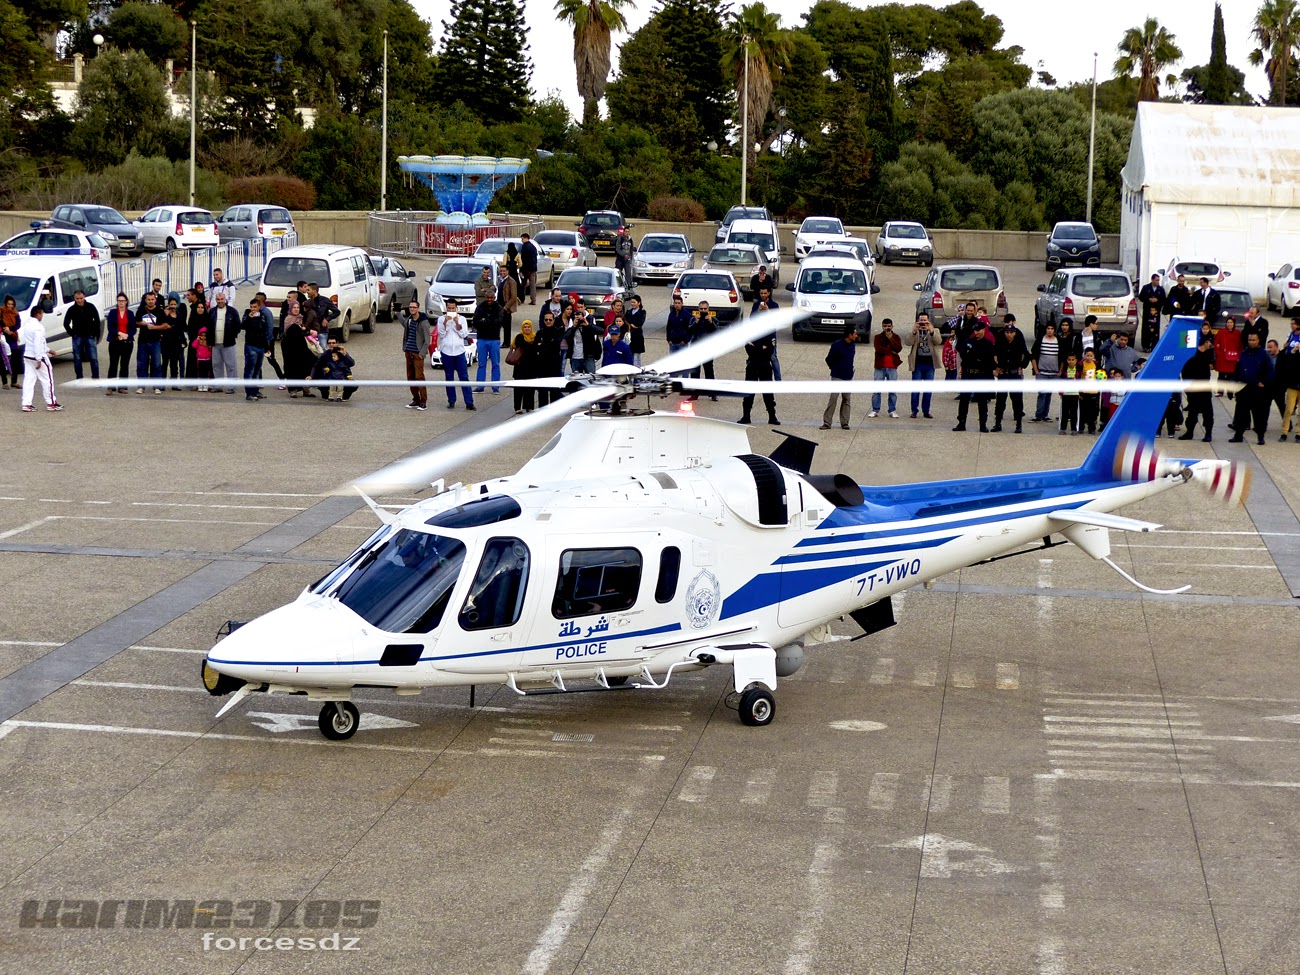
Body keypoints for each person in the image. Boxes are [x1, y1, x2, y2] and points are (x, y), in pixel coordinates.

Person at [1230, 332, 1274, 445]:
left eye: (1253, 340)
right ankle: (1238, 435)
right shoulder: (1244, 353)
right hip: (1244, 388)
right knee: (1241, 413)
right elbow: (1237, 369)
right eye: (1250, 340)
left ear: (1258, 340)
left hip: (1257, 389)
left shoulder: (1264, 354)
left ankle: (1260, 436)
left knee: (1259, 415)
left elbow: (1270, 371)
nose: (1251, 342)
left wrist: (1264, 382)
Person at [953, 321, 995, 432]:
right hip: (968, 374)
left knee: (982, 401)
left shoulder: (988, 344)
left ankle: (983, 424)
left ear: (984, 330)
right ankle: (961, 423)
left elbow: (989, 360)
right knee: (964, 400)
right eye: (975, 330)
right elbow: (963, 354)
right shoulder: (968, 342)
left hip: (981, 375)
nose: (976, 333)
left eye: (979, 330)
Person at [17, 307, 60, 412]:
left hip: (27, 355)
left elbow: (34, 342)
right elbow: (38, 343)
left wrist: (49, 350)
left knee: (29, 380)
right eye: (42, 314)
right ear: (38, 314)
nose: (42, 316)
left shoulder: (27, 325)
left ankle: (26, 404)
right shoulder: (39, 327)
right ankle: (51, 402)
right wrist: (39, 358)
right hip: (38, 356)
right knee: (47, 379)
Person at [993, 313, 1029, 433]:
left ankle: (1018, 425)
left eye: (1011, 333)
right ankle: (997, 423)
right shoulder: (1000, 340)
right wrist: (996, 367)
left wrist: (1022, 366)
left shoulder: (1018, 340)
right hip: (1003, 374)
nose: (1009, 335)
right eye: (1007, 333)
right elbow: (994, 354)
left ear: (1014, 333)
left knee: (1017, 400)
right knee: (1000, 400)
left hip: (1014, 374)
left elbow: (1027, 355)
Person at [436, 299, 474, 410]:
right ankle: (451, 400)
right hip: (446, 351)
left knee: (464, 377)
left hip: (459, 352)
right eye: (449, 308)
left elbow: (464, 334)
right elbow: (442, 335)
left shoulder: (462, 319)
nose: (451, 310)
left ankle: (469, 402)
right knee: (449, 377)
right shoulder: (440, 319)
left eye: (453, 308)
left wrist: (457, 323)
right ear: (446, 308)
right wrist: (445, 323)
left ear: (456, 308)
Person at [738, 321, 779, 426]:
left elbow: (770, 351)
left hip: (765, 366)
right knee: (748, 393)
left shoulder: (770, 335)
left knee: (768, 394)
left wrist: (756, 347)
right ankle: (746, 416)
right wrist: (762, 347)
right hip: (752, 365)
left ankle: (772, 416)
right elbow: (749, 350)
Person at [1179, 333, 1216, 443]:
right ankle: (1189, 432)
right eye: (1209, 342)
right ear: (1205, 342)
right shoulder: (1192, 354)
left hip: (1204, 386)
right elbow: (1185, 370)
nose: (1211, 344)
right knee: (1193, 411)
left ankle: (1208, 433)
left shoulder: (1209, 353)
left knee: (1208, 412)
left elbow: (1213, 364)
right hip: (1193, 386)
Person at [821, 325, 857, 430]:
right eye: (854, 333)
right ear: (849, 335)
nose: (856, 335)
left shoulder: (853, 345)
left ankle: (845, 422)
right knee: (833, 399)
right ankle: (827, 422)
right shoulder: (837, 345)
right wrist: (835, 368)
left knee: (846, 399)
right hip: (837, 376)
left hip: (848, 376)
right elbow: (829, 359)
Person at [906, 312, 940, 419]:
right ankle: (914, 410)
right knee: (916, 389)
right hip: (918, 364)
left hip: (930, 364)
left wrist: (931, 331)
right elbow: (908, 342)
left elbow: (938, 341)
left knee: (928, 389)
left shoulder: (934, 330)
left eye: (925, 321)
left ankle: (926, 410)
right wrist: (914, 331)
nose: (923, 323)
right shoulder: (916, 332)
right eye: (921, 321)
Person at [472, 290, 505, 393]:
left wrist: (484, 322)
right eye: (488, 298)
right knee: (482, 364)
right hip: (482, 339)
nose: (489, 300)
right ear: (485, 297)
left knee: (495, 364)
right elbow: (475, 323)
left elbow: (499, 322)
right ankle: (480, 386)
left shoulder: (498, 308)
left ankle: (495, 387)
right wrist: (488, 322)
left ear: (494, 297)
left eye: (491, 298)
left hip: (494, 340)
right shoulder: (480, 307)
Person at [65, 289, 102, 381]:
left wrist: (94, 333)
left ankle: (96, 377)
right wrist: (72, 333)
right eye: (77, 298)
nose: (79, 300)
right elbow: (66, 323)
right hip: (77, 337)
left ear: (84, 297)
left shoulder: (91, 307)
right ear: (74, 298)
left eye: (81, 298)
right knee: (77, 358)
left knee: (93, 358)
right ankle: (79, 378)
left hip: (90, 336)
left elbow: (97, 321)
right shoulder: (71, 309)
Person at [400, 298, 431, 410]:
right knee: (410, 377)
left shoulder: (423, 322)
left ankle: (423, 400)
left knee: (419, 377)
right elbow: (404, 324)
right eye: (410, 307)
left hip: (417, 354)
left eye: (414, 307)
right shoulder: (409, 319)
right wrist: (398, 312)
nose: (412, 309)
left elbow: (427, 340)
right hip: (409, 352)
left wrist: (422, 354)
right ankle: (416, 399)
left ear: (418, 308)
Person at [869, 318, 902, 418]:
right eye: (885, 326)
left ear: (892, 326)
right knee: (877, 389)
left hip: (892, 367)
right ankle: (875, 409)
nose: (887, 328)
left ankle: (892, 410)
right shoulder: (877, 337)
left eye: (889, 326)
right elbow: (879, 349)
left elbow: (898, 348)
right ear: (882, 327)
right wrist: (891, 350)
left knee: (892, 390)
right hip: (880, 366)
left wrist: (891, 339)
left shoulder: (896, 337)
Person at [281, 299, 315, 398]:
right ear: (290, 308)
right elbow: (289, 332)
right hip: (290, 347)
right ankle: (293, 390)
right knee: (292, 368)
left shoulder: (302, 318)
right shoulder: (288, 319)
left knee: (306, 365)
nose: (296, 309)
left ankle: (306, 389)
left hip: (302, 346)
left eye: (297, 307)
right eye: (294, 307)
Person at [209, 292, 241, 393]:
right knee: (216, 365)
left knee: (231, 365)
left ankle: (232, 386)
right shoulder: (212, 311)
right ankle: (218, 386)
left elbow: (238, 325)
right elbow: (209, 327)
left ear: (225, 299)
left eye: (222, 299)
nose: (220, 301)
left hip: (228, 343)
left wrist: (232, 335)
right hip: (215, 343)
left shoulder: (232, 311)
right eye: (218, 299)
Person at [508, 319, 543, 414]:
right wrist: (535, 346)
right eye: (525, 327)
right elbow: (528, 348)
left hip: (532, 367)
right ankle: (517, 408)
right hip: (520, 367)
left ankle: (529, 406)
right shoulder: (519, 337)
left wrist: (535, 346)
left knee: (530, 389)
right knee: (519, 388)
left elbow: (536, 348)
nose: (527, 328)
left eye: (528, 327)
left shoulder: (534, 337)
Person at [241, 297, 271, 401]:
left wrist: (267, 346)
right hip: (251, 346)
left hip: (261, 346)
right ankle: (249, 393)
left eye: (255, 307)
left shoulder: (262, 316)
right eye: (251, 307)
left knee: (257, 370)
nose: (253, 309)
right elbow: (242, 326)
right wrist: (249, 317)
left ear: (259, 307)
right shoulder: (247, 315)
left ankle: (255, 391)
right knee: (250, 370)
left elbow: (265, 331)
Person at [135, 292, 165, 393]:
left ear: (155, 300)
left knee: (156, 364)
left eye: (152, 299)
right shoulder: (140, 311)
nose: (150, 301)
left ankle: (157, 386)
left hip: (155, 341)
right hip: (143, 341)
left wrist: (155, 327)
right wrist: (140, 323)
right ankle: (141, 386)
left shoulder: (160, 312)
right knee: (141, 364)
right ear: (145, 300)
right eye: (148, 300)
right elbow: (135, 323)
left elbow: (165, 325)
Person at [105, 292, 135, 394]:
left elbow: (133, 329)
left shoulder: (130, 314)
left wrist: (127, 335)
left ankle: (122, 387)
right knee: (113, 364)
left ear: (126, 302)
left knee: (124, 364)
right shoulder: (112, 312)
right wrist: (119, 333)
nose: (121, 303)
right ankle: (110, 387)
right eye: (119, 301)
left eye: (123, 301)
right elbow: (110, 327)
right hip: (115, 341)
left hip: (127, 342)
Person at [1030, 322, 1060, 423]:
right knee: (1042, 393)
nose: (1050, 330)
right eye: (1048, 328)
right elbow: (1033, 356)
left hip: (1054, 373)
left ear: (1054, 330)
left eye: (1052, 328)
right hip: (1042, 372)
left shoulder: (1058, 341)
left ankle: (1045, 414)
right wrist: (1036, 370)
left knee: (1048, 394)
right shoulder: (1040, 340)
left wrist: (1059, 371)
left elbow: (1062, 357)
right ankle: (1038, 414)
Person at [1276, 318, 1300, 441]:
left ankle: (1298, 433)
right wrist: (1290, 350)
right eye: (1291, 324)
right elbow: (1287, 355)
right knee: (1289, 409)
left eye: (1294, 324)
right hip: (1292, 379)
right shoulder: (1290, 336)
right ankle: (1284, 432)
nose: (1292, 326)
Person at [312, 338, 356, 403]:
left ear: (337, 343)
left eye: (333, 343)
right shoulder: (325, 354)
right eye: (329, 343)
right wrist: (311, 376)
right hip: (330, 378)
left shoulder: (341, 353)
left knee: (353, 385)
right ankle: (328, 396)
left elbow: (351, 364)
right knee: (323, 385)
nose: (331, 345)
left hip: (341, 378)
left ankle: (343, 396)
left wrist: (344, 354)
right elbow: (317, 365)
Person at [535, 311, 565, 406]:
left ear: (553, 320)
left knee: (554, 390)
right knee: (542, 390)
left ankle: (553, 409)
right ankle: (542, 409)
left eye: (550, 319)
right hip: (542, 366)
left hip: (554, 366)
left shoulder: (558, 332)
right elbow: (536, 347)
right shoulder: (540, 333)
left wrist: (543, 345)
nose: (548, 321)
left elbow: (555, 345)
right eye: (546, 319)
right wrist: (544, 346)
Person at [752, 286, 782, 380]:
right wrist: (758, 311)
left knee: (773, 357)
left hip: (770, 335)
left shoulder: (774, 305)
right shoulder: (756, 304)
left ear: (769, 293)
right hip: (759, 335)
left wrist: (768, 311)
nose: (763, 295)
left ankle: (778, 380)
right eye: (761, 293)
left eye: (765, 293)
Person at [160, 295, 187, 389]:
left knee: (174, 364)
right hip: (166, 341)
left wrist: (184, 340)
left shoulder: (179, 315)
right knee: (165, 363)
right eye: (171, 304)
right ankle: (162, 384)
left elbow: (182, 328)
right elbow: (161, 325)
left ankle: (174, 384)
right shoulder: (165, 315)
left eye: (174, 304)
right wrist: (165, 313)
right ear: (168, 305)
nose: (173, 306)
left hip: (176, 342)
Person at [689, 301, 718, 389]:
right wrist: (696, 322)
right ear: (698, 309)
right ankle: (694, 392)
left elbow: (716, 332)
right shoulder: (693, 319)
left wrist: (711, 322)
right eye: (701, 309)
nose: (703, 310)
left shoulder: (713, 319)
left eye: (705, 309)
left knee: (709, 371)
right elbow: (689, 331)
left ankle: (711, 392)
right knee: (695, 372)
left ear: (708, 309)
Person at [1079, 348, 1105, 435]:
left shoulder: (1096, 365)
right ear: (1084, 355)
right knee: (1083, 410)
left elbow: (1101, 375)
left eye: (1091, 356)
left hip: (1094, 391)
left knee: (1093, 411)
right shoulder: (1081, 364)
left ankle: (1091, 427)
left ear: (1093, 356)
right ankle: (1081, 426)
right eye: (1087, 355)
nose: (1089, 357)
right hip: (1083, 391)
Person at [1213, 316, 1242, 393]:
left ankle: (1230, 392)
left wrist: (1238, 355)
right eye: (1228, 322)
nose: (1229, 324)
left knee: (1231, 376)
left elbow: (1240, 345)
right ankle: (1220, 391)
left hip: (1233, 358)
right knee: (1221, 376)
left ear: (1234, 324)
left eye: (1231, 322)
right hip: (1223, 358)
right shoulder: (1221, 332)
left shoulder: (1238, 333)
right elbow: (1216, 344)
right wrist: (1219, 353)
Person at [1137, 273, 1166, 349]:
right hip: (1147, 311)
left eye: (1158, 280)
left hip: (1156, 312)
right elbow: (1140, 297)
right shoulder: (1146, 288)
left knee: (1155, 328)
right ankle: (1145, 345)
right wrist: (1148, 299)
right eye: (1156, 280)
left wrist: (1157, 300)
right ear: (1152, 280)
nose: (1157, 282)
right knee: (1146, 328)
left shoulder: (1161, 289)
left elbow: (1164, 300)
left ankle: (1154, 345)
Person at [1058, 352, 1081, 435]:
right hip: (1065, 394)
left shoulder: (1078, 371)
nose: (1071, 361)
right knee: (1064, 412)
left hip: (1075, 394)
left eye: (1072, 360)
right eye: (1069, 360)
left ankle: (1074, 429)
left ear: (1076, 361)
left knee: (1074, 412)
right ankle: (1062, 428)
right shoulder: (1064, 371)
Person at [0, 294, 19, 389]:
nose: (10, 306)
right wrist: (5, 329)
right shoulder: (2, 311)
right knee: (2, 360)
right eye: (8, 304)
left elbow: (18, 324)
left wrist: (10, 329)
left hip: (12, 336)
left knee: (15, 360)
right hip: (3, 337)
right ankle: (4, 382)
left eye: (12, 304)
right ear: (5, 304)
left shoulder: (15, 313)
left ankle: (14, 381)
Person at [498, 263, 519, 345]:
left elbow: (513, 297)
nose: (502, 272)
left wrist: (506, 307)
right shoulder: (501, 280)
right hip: (499, 306)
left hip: (506, 309)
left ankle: (507, 342)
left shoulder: (511, 281)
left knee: (507, 327)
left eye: (504, 271)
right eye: (501, 271)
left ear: (507, 271)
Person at [624, 294, 647, 366]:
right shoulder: (628, 312)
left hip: (637, 336)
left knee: (637, 358)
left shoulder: (642, 312)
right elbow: (626, 320)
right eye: (631, 302)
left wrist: (632, 323)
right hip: (629, 336)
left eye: (634, 302)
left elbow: (639, 323)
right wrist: (631, 324)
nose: (632, 304)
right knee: (629, 356)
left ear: (639, 303)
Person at [519, 233, 539, 304]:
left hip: (525, 269)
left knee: (523, 285)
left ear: (526, 238)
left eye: (522, 239)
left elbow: (523, 259)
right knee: (532, 285)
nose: (522, 240)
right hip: (533, 269)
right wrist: (533, 268)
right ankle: (533, 300)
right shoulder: (533, 247)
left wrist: (522, 269)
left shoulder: (524, 247)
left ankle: (522, 299)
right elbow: (534, 259)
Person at [192, 326, 213, 392]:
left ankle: (206, 385)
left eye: (205, 336)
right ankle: (200, 385)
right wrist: (197, 339)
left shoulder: (208, 342)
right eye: (202, 335)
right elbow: (193, 345)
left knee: (207, 373)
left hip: (207, 359)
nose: (203, 337)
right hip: (200, 360)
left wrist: (207, 344)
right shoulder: (198, 342)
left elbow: (211, 349)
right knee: (200, 373)